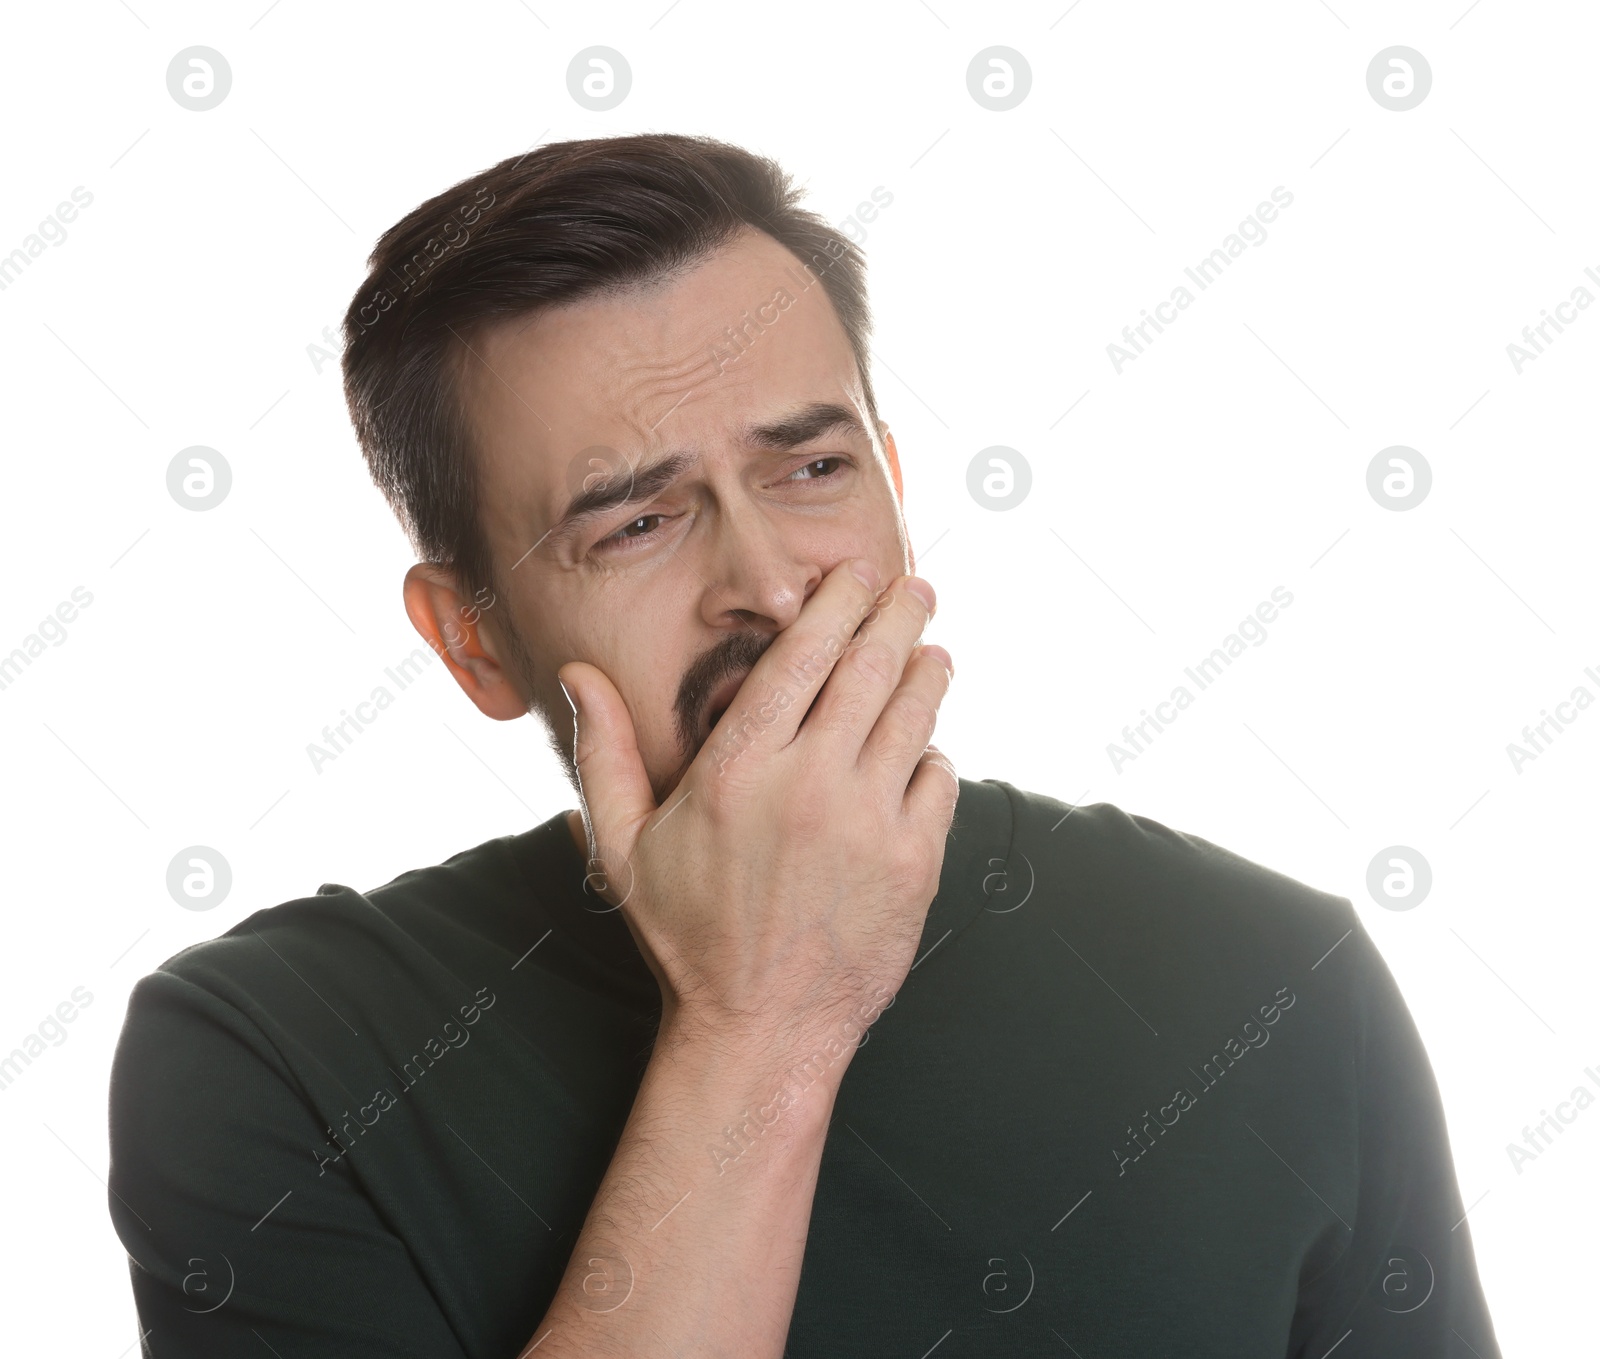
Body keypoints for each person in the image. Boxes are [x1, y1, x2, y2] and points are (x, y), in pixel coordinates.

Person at [107, 133, 1501, 1357]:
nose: (771, 583)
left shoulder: (1270, 978)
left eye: (812, 468)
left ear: (893, 487)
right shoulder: (276, 1057)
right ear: (473, 637)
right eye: (636, 521)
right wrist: (764, 1023)